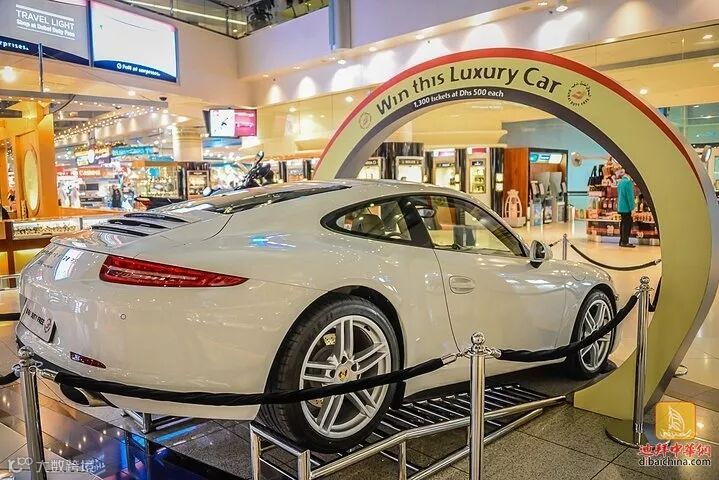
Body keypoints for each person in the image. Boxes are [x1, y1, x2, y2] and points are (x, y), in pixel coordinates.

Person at [616, 169, 635, 248]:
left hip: (621, 206)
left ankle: (621, 241)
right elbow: (630, 197)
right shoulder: (628, 182)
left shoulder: (620, 182)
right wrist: (632, 208)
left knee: (623, 223)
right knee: (627, 224)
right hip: (626, 207)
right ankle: (625, 242)